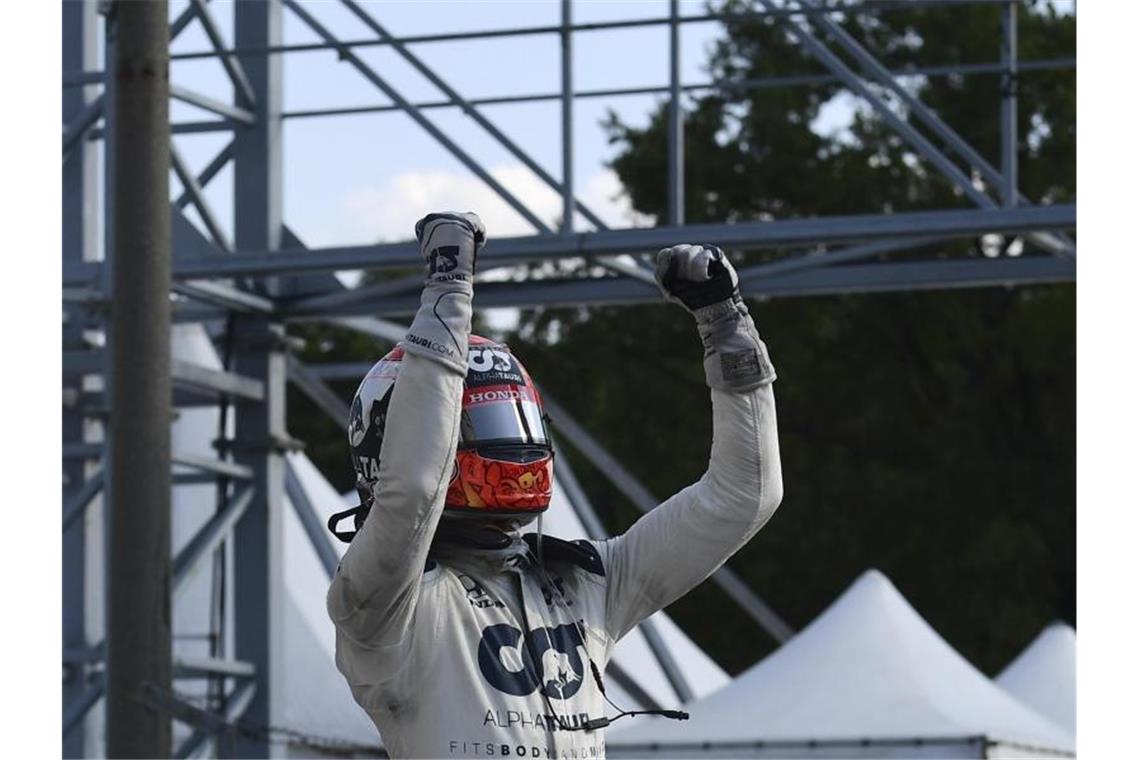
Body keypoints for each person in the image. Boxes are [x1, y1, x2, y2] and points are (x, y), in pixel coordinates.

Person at [326, 211, 784, 759]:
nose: (513, 447)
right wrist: (447, 292)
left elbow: (744, 498)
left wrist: (726, 328)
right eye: (481, 426)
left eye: (517, 423)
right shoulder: (377, 603)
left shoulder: (586, 583)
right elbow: (411, 496)